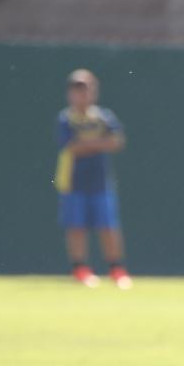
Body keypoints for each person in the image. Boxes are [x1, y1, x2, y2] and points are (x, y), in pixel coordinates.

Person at [54, 69, 131, 288]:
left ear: (94, 92)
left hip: (100, 182)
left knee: (108, 226)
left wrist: (88, 143)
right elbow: (72, 146)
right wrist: (98, 143)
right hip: (72, 181)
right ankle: (80, 269)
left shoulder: (104, 117)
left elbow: (116, 141)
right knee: (76, 226)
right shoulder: (65, 118)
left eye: (86, 89)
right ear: (70, 93)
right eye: (77, 90)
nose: (82, 94)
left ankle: (117, 270)